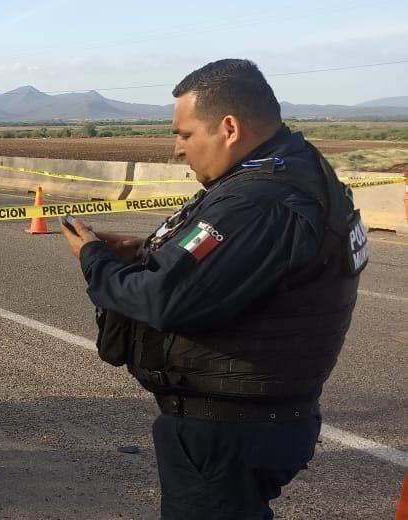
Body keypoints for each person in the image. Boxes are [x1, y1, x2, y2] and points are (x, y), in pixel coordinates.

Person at [59, 59, 367, 518]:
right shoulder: (295, 171)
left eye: (184, 134)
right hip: (252, 421)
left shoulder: (259, 200)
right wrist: (147, 250)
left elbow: (162, 299)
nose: (177, 151)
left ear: (228, 128)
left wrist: (93, 258)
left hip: (229, 432)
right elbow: (240, 262)